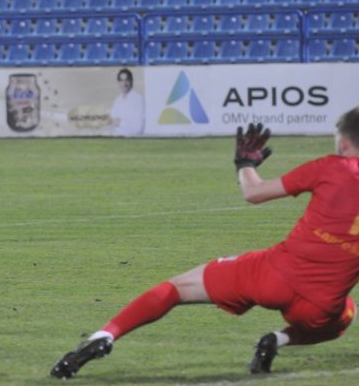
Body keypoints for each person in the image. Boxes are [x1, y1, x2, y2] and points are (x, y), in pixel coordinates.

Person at [51, 112, 359, 379]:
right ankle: (277, 340)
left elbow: (254, 192)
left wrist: (245, 163)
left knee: (177, 288)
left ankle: (105, 335)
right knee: (344, 316)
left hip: (272, 275)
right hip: (319, 305)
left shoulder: (333, 166)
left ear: (344, 142)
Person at [109, 68, 144, 136]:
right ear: (118, 83)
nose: (124, 84)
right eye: (121, 80)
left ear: (131, 81)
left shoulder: (138, 100)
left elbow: (138, 129)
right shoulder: (118, 100)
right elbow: (113, 121)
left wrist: (120, 123)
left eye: (126, 80)